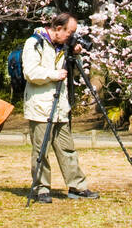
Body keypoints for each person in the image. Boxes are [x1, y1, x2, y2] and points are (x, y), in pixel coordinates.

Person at [22, 12, 98, 203]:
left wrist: (75, 55)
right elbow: (30, 72)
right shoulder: (34, 43)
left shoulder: (63, 46)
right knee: (41, 150)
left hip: (60, 107)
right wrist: (53, 74)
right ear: (58, 29)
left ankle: (77, 187)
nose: (71, 37)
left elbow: (72, 73)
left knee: (67, 148)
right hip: (40, 106)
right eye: (69, 32)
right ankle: (41, 189)